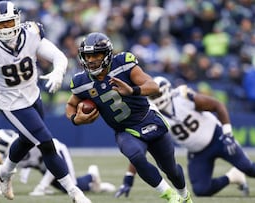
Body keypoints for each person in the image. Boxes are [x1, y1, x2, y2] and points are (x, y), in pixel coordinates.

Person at [0, 1, 91, 202]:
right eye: (1, 24)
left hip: (33, 96)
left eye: (9, 22)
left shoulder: (31, 32)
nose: (6, 28)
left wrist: (58, 71)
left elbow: (58, 56)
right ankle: (74, 192)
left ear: (18, 19)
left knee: (27, 139)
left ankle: (4, 172)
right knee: (46, 144)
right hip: (11, 103)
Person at [65, 32, 193, 203]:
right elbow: (70, 104)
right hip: (125, 130)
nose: (91, 60)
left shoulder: (123, 63)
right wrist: (75, 119)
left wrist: (133, 90)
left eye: (96, 55)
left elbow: (153, 86)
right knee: (136, 156)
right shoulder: (81, 82)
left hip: (148, 118)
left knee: (171, 170)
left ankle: (185, 196)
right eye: (87, 56)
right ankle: (170, 196)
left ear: (107, 54)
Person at [115, 76, 255, 197]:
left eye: (156, 94)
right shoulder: (152, 114)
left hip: (217, 138)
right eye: (151, 96)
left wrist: (227, 133)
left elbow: (217, 105)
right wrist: (129, 178)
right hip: (197, 152)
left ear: (166, 90)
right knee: (201, 190)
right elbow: (142, 147)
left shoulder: (183, 97)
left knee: (246, 165)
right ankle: (233, 177)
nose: (155, 98)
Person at [0, 129, 116, 196]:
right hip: (44, 165)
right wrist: (1, 187)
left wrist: (42, 186)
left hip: (57, 153)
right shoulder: (8, 156)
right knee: (64, 189)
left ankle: (92, 175)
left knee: (71, 186)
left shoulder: (29, 144)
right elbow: (4, 177)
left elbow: (52, 159)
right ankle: (95, 184)